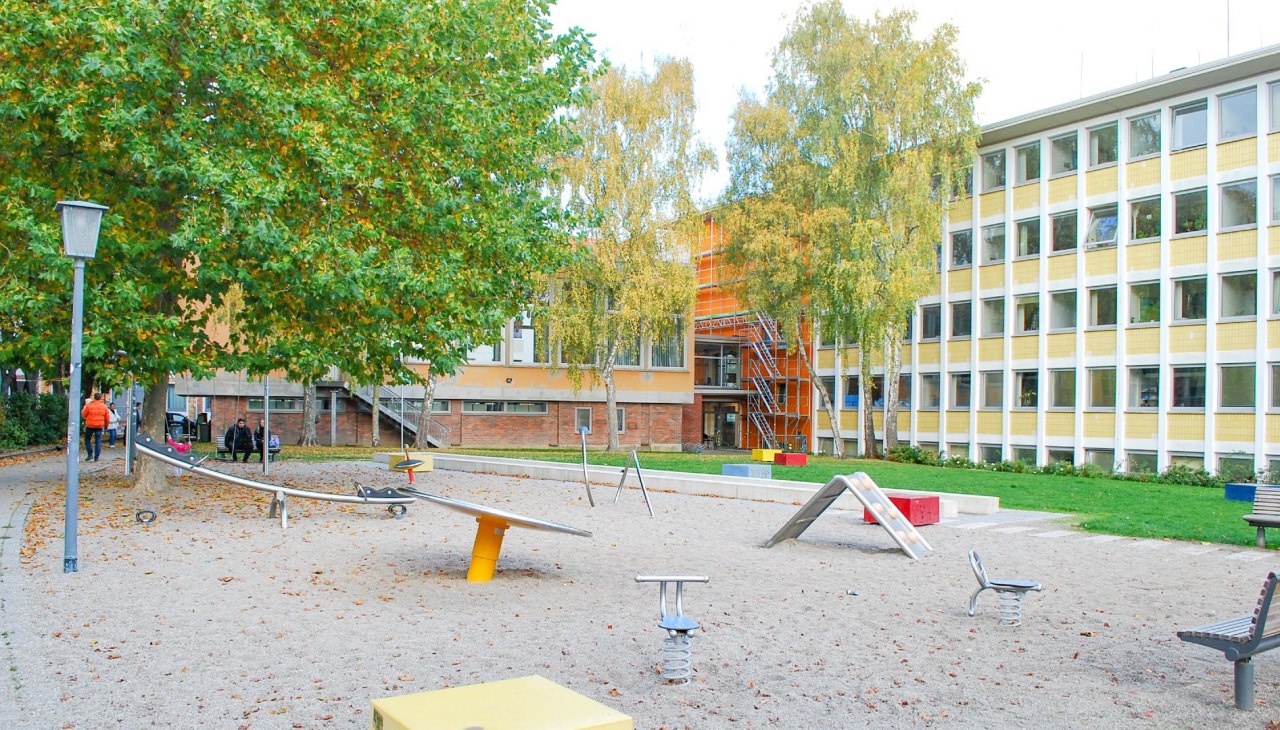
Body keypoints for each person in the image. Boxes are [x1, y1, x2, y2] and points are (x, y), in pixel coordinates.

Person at [81, 392, 109, 462]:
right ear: (100, 398)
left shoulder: (89, 406)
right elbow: (107, 417)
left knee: (87, 440)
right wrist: (106, 426)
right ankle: (96, 457)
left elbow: (83, 414)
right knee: (98, 441)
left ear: (94, 397)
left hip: (90, 425)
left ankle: (90, 454)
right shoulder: (104, 406)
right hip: (99, 426)